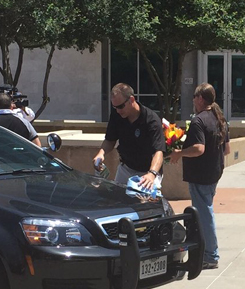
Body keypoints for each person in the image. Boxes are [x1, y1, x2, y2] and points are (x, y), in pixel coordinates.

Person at [169, 83, 230, 270]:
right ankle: (207, 252)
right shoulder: (220, 119)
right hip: (214, 173)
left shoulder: (198, 121)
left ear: (200, 99)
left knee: (204, 215)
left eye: (194, 98)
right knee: (205, 211)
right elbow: (226, 150)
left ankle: (211, 256)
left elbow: (198, 149)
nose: (193, 101)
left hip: (201, 175)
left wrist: (179, 152)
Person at [94, 83, 164, 191]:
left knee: (145, 205)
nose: (118, 111)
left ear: (131, 100)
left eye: (121, 106)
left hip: (148, 171)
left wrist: (152, 173)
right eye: (115, 107)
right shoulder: (116, 116)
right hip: (126, 168)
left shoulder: (151, 120)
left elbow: (158, 152)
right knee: (118, 201)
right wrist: (101, 153)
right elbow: (110, 140)